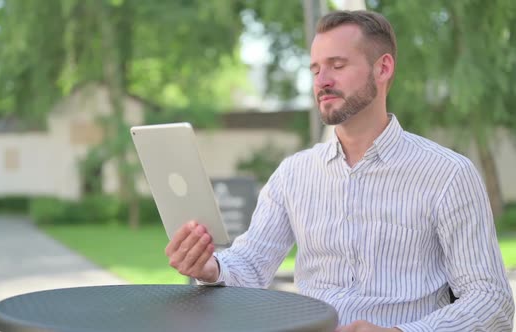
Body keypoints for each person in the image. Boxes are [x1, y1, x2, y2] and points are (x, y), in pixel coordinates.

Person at [164, 10, 514, 331]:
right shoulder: (293, 174)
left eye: (337, 65)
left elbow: (492, 301)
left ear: (383, 68)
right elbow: (251, 265)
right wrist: (211, 269)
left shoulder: (448, 174)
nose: (322, 80)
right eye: (315, 69)